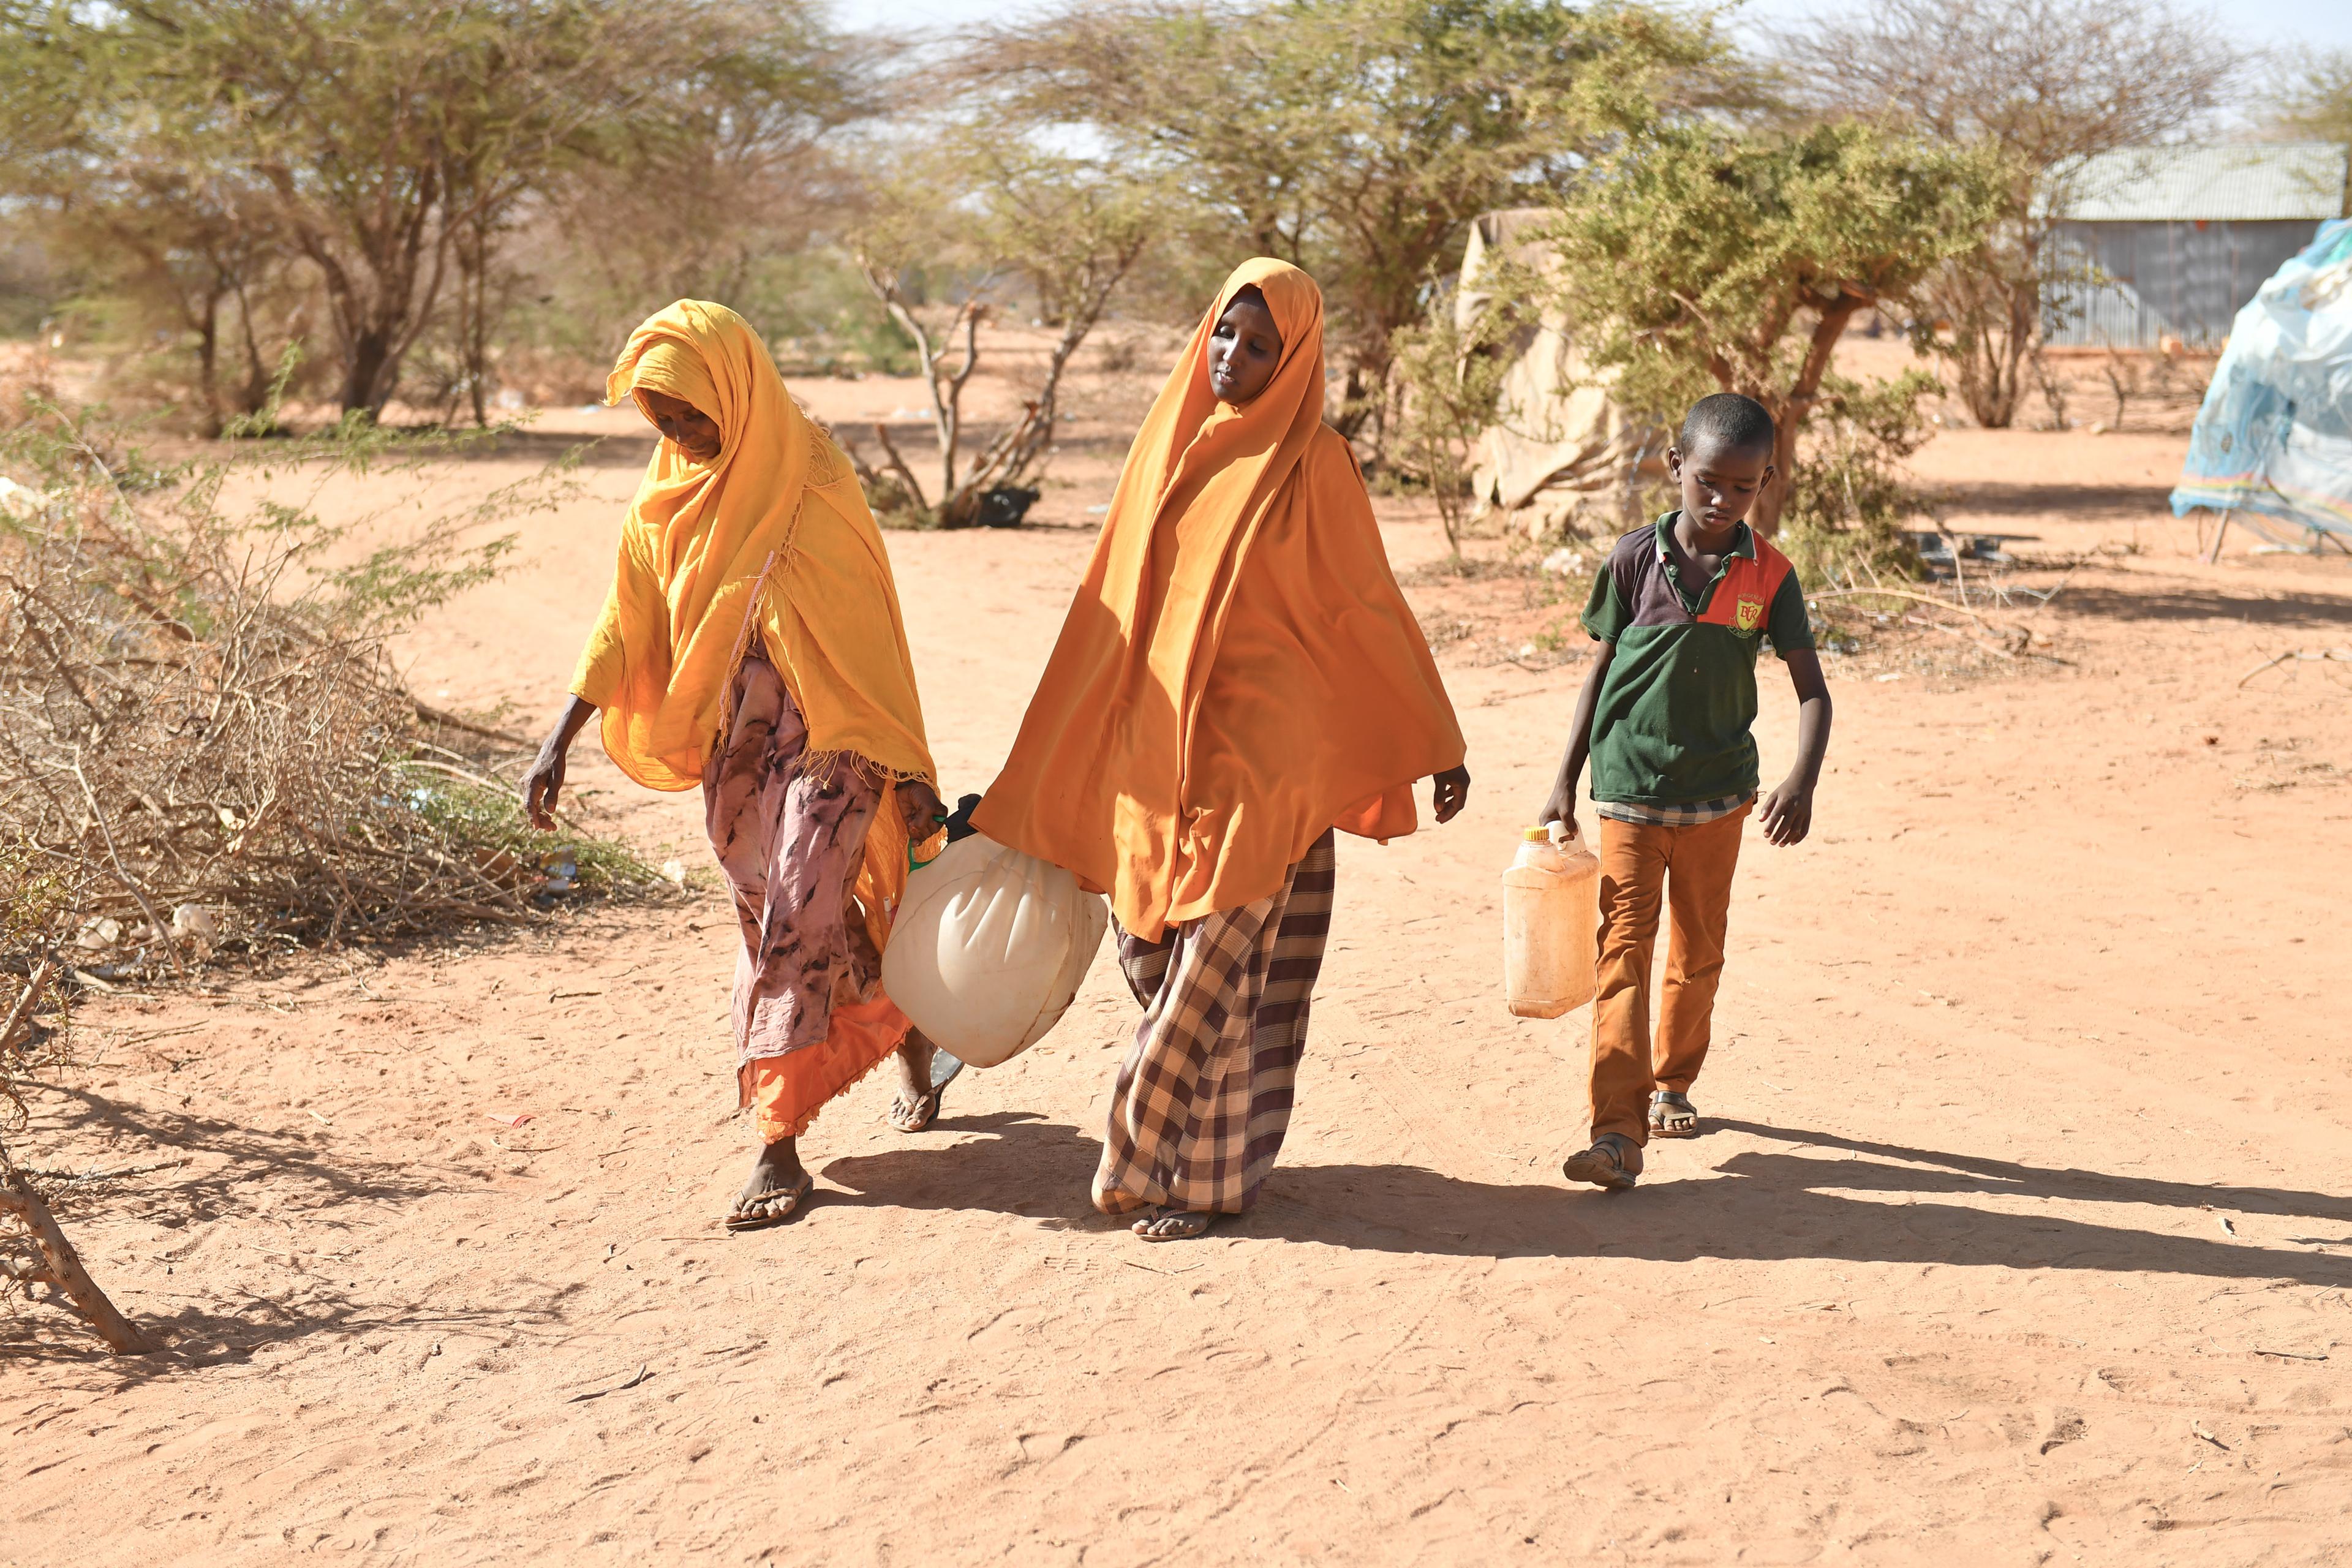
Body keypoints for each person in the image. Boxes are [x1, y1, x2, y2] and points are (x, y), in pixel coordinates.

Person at [974, 258, 1471, 1242]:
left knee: (1216, 972)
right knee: (1156, 956)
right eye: (1224, 335)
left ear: (1295, 360)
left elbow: (1366, 607)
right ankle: (1214, 1165)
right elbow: (1111, 602)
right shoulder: (1168, 448)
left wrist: (1434, 739)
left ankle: (1165, 1172)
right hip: (1159, 752)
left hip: (1266, 760)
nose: (1232, 358)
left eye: (1258, 345)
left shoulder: (1317, 463)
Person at [521, 300, 954, 1233]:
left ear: (736, 384)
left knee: (796, 913)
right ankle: (903, 1019)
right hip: (740, 751)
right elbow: (624, 621)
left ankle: (778, 1144)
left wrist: (907, 766)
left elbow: (869, 629)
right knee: (773, 918)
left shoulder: (814, 479)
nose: (682, 436)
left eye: (692, 414)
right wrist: (559, 737)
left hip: (838, 741)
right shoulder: (665, 498)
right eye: (663, 422)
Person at [1540, 392, 1833, 1192]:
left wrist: (1800, 780)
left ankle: (1672, 1081)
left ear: (1766, 483)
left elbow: (1813, 689)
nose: (1721, 500)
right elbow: (1597, 672)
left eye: (1743, 487)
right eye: (1707, 481)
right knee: (1622, 951)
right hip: (1629, 789)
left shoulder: (1769, 574)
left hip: (1718, 801)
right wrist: (1562, 783)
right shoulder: (1633, 560)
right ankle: (1616, 1130)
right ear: (1676, 468)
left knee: (1699, 951)